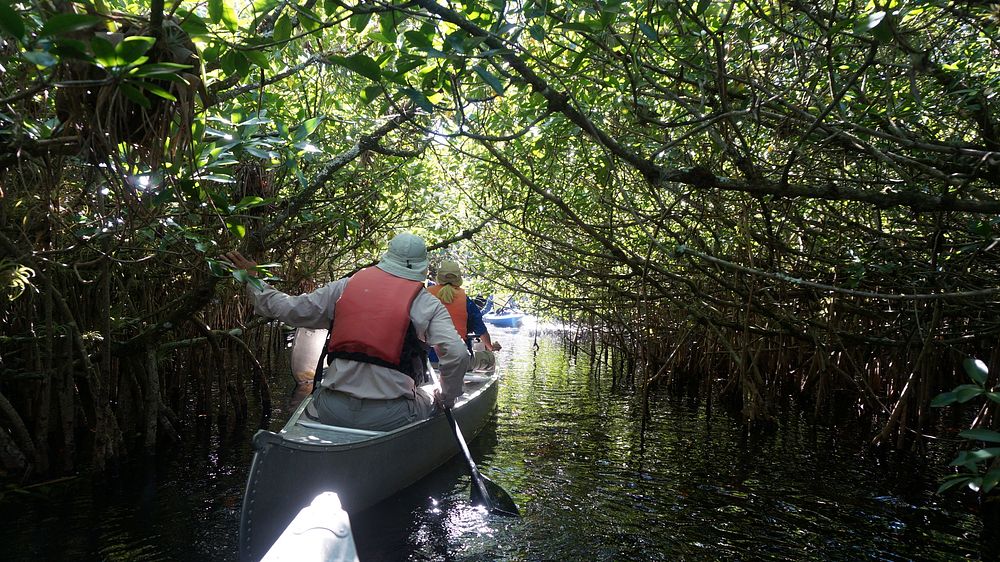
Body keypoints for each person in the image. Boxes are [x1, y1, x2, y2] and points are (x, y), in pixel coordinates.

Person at [224, 233, 470, 431]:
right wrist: (447, 399)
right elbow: (458, 354)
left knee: (314, 400)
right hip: (391, 414)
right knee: (430, 395)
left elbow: (288, 308)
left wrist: (254, 280)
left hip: (332, 407)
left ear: (386, 258)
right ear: (421, 268)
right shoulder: (426, 303)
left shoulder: (345, 286)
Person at [426, 260, 502, 356]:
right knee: (483, 357)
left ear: (438, 278)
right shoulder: (466, 301)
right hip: (458, 355)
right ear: (459, 279)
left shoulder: (426, 296)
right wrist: (490, 347)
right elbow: (481, 330)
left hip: (428, 355)